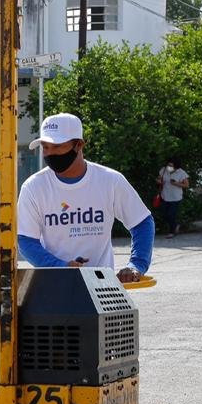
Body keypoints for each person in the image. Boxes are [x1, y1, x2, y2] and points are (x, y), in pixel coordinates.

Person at [18, 113, 153, 284]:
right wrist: (61, 267)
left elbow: (142, 222)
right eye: (45, 147)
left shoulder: (110, 181)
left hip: (103, 286)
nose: (49, 153)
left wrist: (136, 265)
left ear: (79, 145)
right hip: (55, 285)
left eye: (57, 146)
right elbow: (26, 240)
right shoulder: (33, 187)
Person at [156, 158, 189, 239]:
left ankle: (171, 232)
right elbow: (158, 179)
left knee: (171, 214)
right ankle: (175, 226)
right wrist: (159, 181)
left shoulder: (181, 172)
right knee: (165, 214)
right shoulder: (164, 170)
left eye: (171, 166)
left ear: (176, 167)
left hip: (176, 197)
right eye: (168, 165)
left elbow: (186, 185)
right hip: (165, 196)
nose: (169, 167)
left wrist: (176, 183)